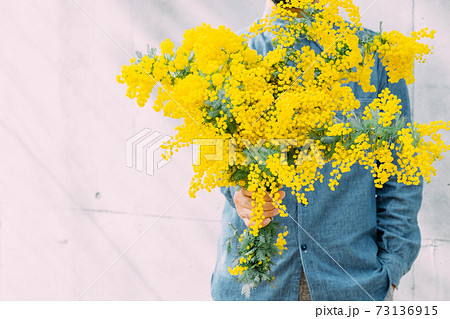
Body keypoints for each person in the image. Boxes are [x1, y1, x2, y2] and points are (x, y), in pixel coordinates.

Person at [210, 0, 423, 301]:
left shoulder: (375, 57)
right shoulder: (233, 57)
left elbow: (403, 173)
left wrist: (390, 271)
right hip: (252, 289)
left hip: (352, 285)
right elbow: (220, 158)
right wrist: (237, 193)